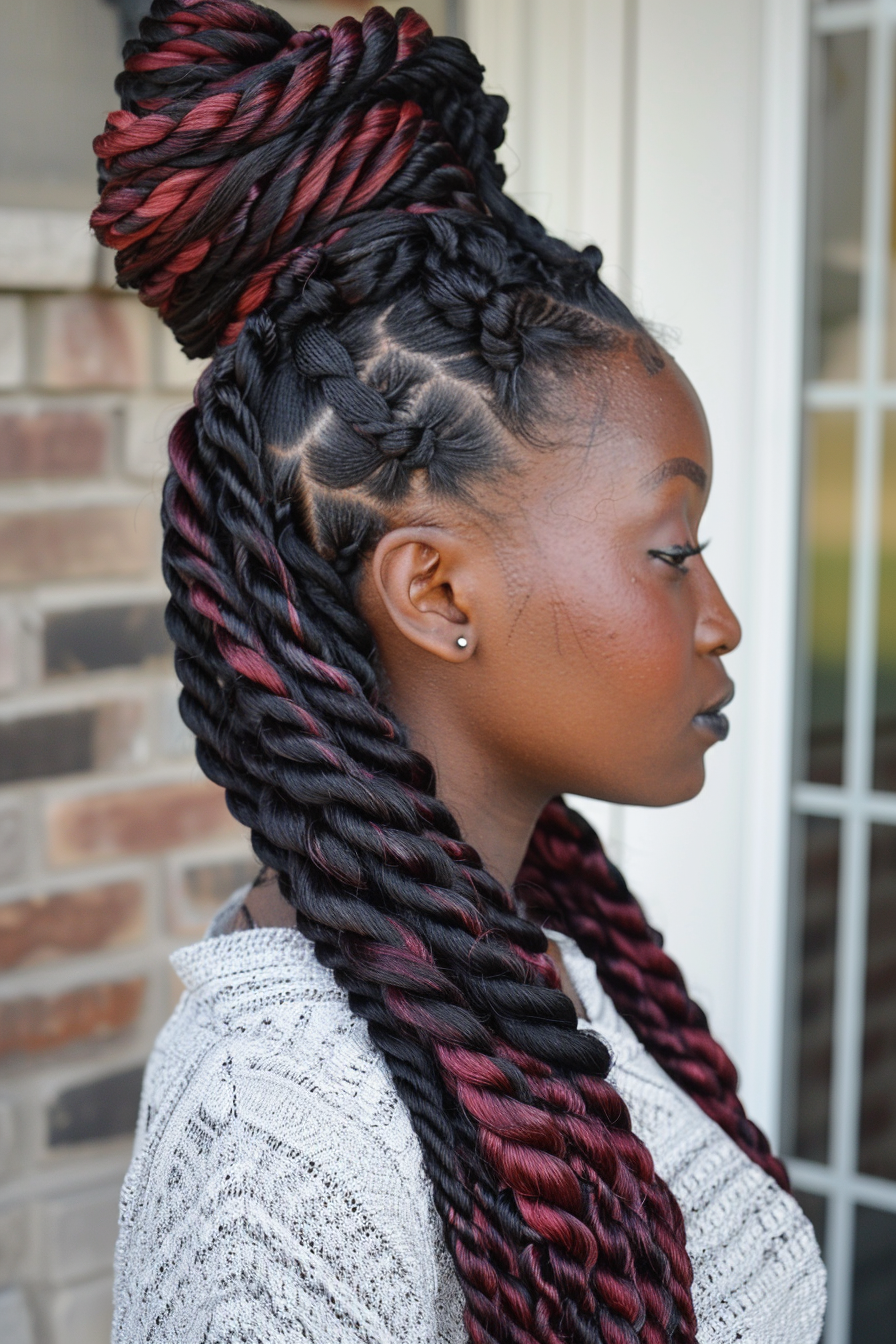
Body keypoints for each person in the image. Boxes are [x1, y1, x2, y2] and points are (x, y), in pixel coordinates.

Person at [92, 4, 826, 1341]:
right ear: (435, 593)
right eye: (673, 552)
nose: (722, 619)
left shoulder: (524, 950)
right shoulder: (281, 1153)